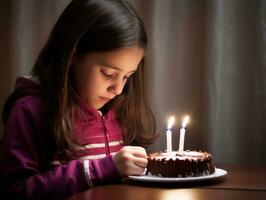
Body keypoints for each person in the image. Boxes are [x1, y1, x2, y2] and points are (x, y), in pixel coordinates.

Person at [0, 0, 156, 199]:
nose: (118, 89)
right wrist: (101, 169)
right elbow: (15, 191)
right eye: (108, 73)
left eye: (127, 76)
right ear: (72, 54)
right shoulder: (30, 111)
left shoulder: (119, 111)